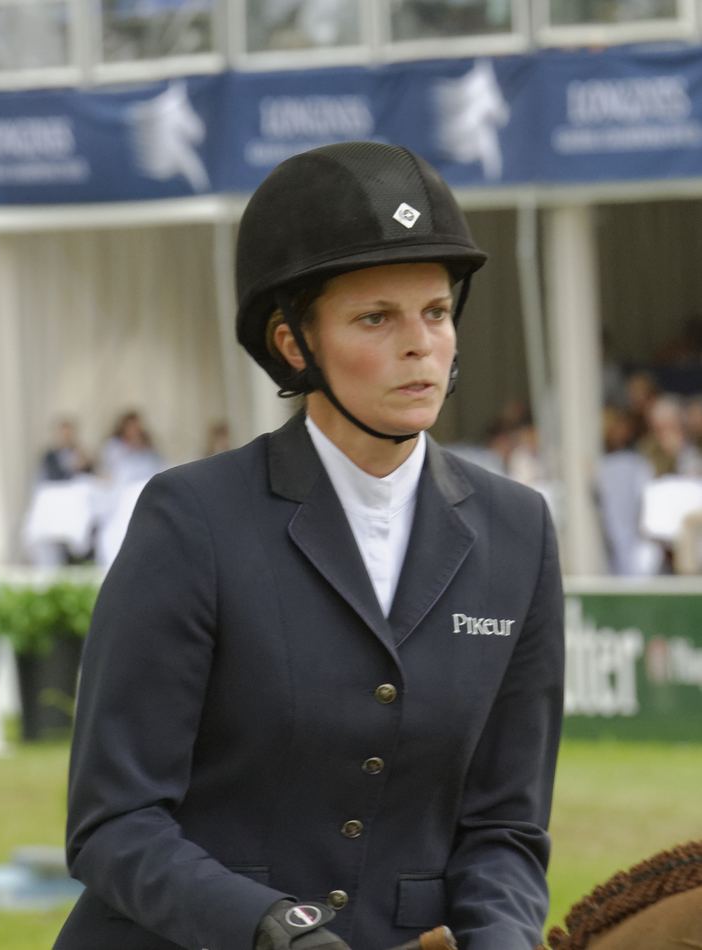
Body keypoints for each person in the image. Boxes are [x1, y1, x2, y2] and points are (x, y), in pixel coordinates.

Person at [54, 141, 565, 950]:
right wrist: (276, 929)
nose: (420, 345)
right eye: (376, 318)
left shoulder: (520, 531)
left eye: (435, 313)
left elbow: (504, 826)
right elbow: (115, 822)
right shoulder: (192, 518)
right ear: (295, 344)